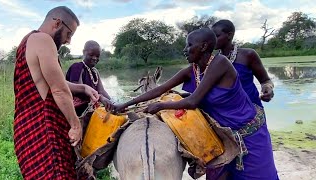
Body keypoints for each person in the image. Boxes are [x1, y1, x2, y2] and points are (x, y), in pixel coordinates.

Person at [113, 28, 278, 179]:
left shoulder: (220, 63)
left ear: (204, 46)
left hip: (248, 133)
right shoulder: (192, 70)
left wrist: (161, 106)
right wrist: (126, 104)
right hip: (220, 136)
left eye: (189, 45)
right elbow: (160, 89)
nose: (185, 49)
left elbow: (193, 101)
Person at [13, 6, 99, 179]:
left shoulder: (28, 41)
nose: (68, 41)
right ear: (57, 23)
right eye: (69, 34)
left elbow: (49, 81)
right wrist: (75, 126)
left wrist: (82, 88)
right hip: (45, 130)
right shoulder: (44, 40)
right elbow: (59, 89)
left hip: (25, 129)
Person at [211, 19, 278, 179]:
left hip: (251, 120)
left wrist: (267, 90)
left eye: (216, 35)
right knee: (223, 166)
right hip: (224, 121)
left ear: (229, 35)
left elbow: (266, 81)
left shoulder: (248, 55)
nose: (212, 40)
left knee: (257, 165)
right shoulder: (212, 62)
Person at [66, 40, 113, 116]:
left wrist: (111, 102)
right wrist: (100, 98)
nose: (94, 58)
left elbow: (102, 91)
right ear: (84, 52)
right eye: (91, 55)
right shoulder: (77, 67)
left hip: (91, 107)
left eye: (97, 56)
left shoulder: (95, 71)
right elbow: (79, 91)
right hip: (78, 111)